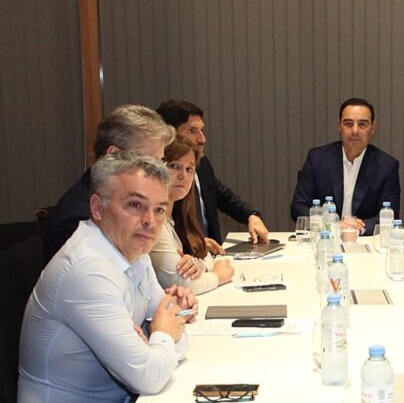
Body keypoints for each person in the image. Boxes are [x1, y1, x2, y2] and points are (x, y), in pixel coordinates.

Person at [19, 151, 196, 403]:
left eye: (159, 209)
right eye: (135, 205)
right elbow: (149, 375)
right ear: (97, 208)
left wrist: (160, 336)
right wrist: (160, 335)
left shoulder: (134, 250)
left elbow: (176, 328)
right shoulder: (87, 268)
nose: (150, 221)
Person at [45, 104, 176, 259]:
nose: (158, 170)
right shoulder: (79, 217)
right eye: (149, 161)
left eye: (160, 161)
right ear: (114, 155)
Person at [156, 100, 269, 249]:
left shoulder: (203, 164)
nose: (202, 139)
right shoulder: (161, 179)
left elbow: (223, 196)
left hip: (209, 251)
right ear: (170, 134)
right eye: (192, 131)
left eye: (201, 130)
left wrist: (251, 215)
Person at [290, 97, 401, 234]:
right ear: (339, 126)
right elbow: (298, 207)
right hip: (325, 238)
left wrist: (357, 227)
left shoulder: (386, 166)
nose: (355, 130)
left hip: (364, 239)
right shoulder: (317, 159)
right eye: (348, 124)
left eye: (362, 124)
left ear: (372, 128)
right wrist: (333, 224)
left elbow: (390, 215)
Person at [149, 137, 235, 294]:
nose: (183, 176)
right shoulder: (153, 221)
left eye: (189, 169)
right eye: (174, 166)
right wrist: (219, 275)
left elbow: (204, 255)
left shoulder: (176, 217)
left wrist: (198, 264)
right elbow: (182, 284)